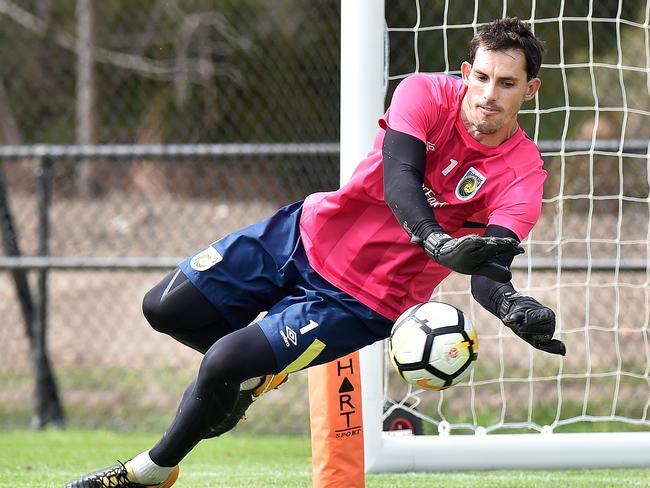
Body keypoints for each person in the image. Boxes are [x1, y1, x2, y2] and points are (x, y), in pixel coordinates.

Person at [64, 17, 565, 488]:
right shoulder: (424, 93)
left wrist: (510, 305)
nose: (489, 95)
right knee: (163, 307)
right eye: (481, 77)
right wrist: (435, 240)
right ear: (465, 74)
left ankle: (152, 470)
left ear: (531, 90)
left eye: (507, 83)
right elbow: (401, 179)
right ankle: (254, 373)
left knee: (221, 364)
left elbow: (489, 268)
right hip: (304, 233)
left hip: (362, 301)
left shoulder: (523, 173)